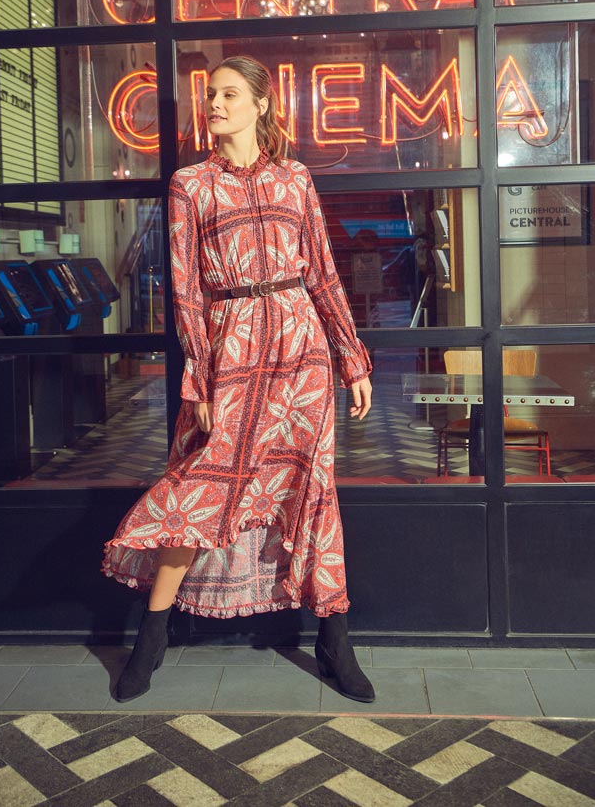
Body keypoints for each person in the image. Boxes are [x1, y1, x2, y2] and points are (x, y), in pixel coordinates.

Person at [102, 54, 374, 703]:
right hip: (231, 351)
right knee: (200, 490)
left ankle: (334, 640)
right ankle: (153, 635)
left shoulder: (296, 180)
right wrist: (198, 376)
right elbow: (186, 294)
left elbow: (324, 276)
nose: (215, 105)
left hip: (299, 347)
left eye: (229, 94)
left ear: (261, 105)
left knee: (314, 489)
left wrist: (352, 358)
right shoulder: (189, 185)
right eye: (211, 95)